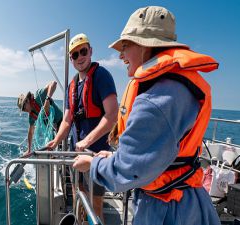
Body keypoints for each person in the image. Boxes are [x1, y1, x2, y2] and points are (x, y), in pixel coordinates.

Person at [73, 6, 221, 225]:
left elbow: (130, 170)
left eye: (125, 46)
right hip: (187, 199)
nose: (121, 55)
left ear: (146, 45)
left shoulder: (156, 99)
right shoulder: (172, 86)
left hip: (167, 208)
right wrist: (113, 157)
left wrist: (92, 164)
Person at [47, 33, 118, 221]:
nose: (80, 57)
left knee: (95, 204)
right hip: (75, 153)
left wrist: (86, 141)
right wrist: (56, 142)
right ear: (71, 59)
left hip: (95, 154)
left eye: (83, 51)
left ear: (91, 51)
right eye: (75, 54)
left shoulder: (102, 76)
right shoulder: (72, 85)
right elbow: (67, 120)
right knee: (79, 194)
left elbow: (112, 115)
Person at [17, 81, 63, 155]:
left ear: (27, 101)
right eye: (22, 110)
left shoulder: (39, 96)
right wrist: (29, 149)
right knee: (51, 148)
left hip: (60, 121)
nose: (24, 111)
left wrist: (47, 99)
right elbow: (30, 132)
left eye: (23, 108)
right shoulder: (31, 115)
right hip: (51, 129)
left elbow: (53, 83)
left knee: (61, 146)